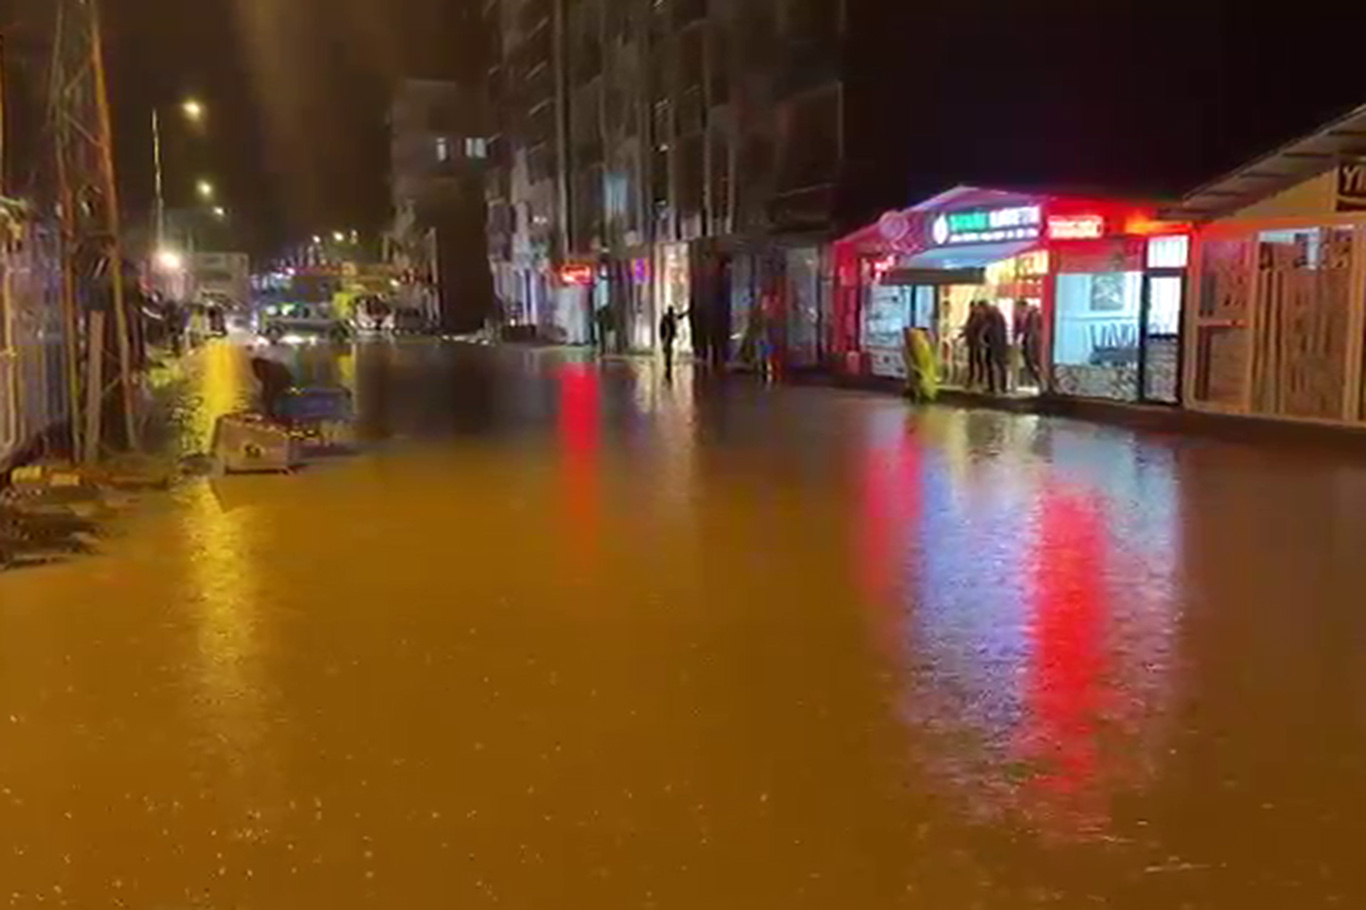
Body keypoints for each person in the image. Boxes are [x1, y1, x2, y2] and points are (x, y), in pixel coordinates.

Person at [251, 354, 295, 421]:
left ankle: (271, 414)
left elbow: (268, 388)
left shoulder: (264, 367)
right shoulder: (272, 365)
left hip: (281, 384)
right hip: (284, 383)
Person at [983, 301, 1010, 394]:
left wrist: (985, 339)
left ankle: (998, 386)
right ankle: (1000, 386)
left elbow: (990, 329)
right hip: (998, 343)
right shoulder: (997, 316)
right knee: (998, 364)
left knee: (997, 364)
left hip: (995, 343)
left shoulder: (992, 317)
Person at [1017, 301, 1044, 389]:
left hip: (1032, 342)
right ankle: (1038, 382)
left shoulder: (1031, 316)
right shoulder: (1032, 315)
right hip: (1031, 342)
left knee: (1033, 362)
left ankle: (1039, 381)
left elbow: (1029, 329)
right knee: (1033, 363)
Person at [963, 301, 988, 388]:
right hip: (972, 341)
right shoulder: (972, 316)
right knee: (973, 360)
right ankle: (973, 379)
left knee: (977, 360)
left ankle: (978, 379)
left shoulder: (979, 316)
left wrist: (979, 337)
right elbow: (969, 327)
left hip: (976, 342)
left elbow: (974, 328)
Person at [659, 306, 681, 381]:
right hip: (668, 336)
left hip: (668, 336)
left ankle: (668, 363)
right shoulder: (668, 318)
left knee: (668, 349)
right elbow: (678, 318)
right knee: (668, 349)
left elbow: (678, 317)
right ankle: (668, 363)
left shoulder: (667, 317)